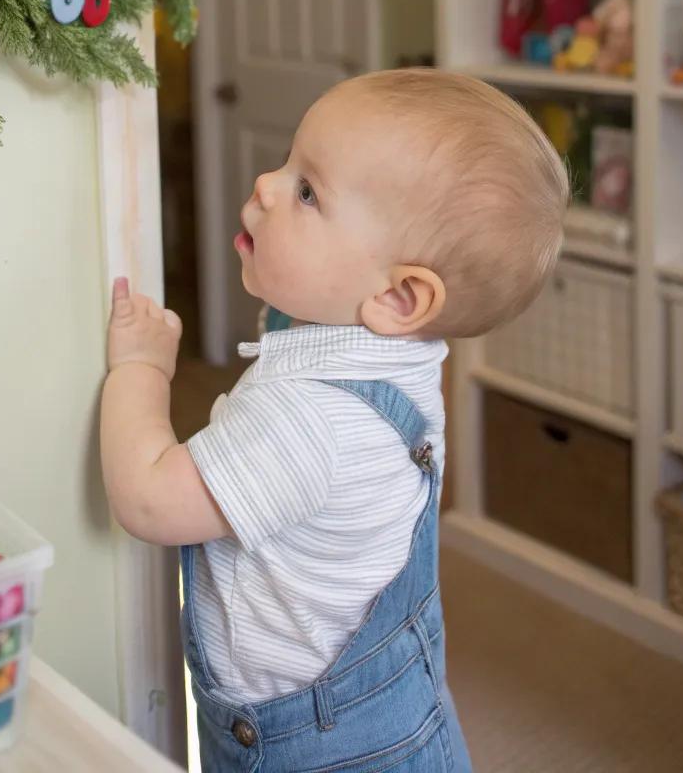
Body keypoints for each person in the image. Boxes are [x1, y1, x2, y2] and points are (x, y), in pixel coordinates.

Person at [101, 69, 568, 771]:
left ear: (401, 297)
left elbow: (147, 499)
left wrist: (141, 367)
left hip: (322, 754)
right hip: (400, 717)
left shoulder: (307, 418)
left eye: (307, 192)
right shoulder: (398, 356)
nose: (266, 185)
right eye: (291, 163)